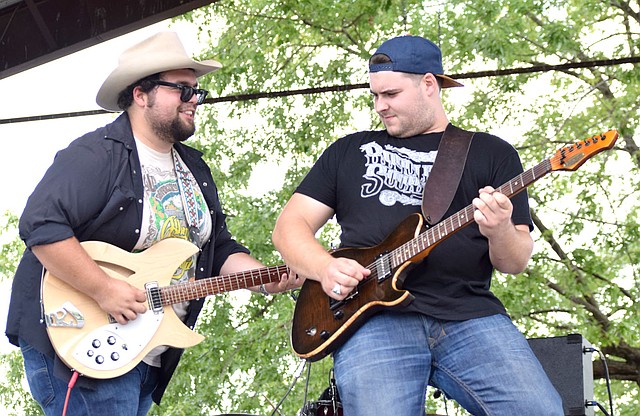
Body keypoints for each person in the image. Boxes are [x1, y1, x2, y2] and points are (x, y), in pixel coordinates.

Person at [6, 31, 299, 415]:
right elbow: (40, 225)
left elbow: (217, 247)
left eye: (197, 91)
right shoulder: (97, 154)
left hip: (147, 351)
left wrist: (261, 276)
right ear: (140, 94)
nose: (195, 99)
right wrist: (104, 288)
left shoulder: (194, 166)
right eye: (182, 89)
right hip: (84, 340)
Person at [272, 35, 563, 415]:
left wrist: (500, 229)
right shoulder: (349, 151)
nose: (380, 106)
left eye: (390, 94)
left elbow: (515, 261)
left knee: (540, 410)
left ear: (429, 84)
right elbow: (288, 227)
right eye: (374, 95)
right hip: (372, 317)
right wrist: (324, 267)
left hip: (468, 316)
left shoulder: (491, 153)